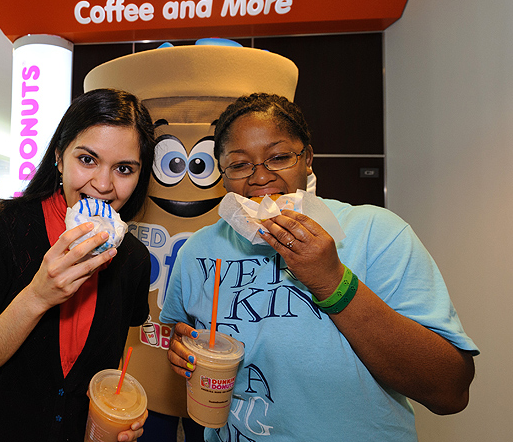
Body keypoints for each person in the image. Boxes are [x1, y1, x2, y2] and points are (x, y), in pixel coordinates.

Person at [160, 93, 478, 441]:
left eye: (278, 157)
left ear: (308, 159)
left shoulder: (376, 232)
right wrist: (184, 352)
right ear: (222, 176)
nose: (260, 177)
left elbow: (450, 391)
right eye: (239, 165)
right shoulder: (198, 250)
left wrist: (332, 281)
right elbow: (183, 336)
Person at [0, 88, 156, 442]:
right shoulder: (4, 227)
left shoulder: (133, 258)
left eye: (124, 169)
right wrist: (37, 296)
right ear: (59, 156)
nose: (102, 184)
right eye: (87, 159)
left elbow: (108, 369)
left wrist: (115, 415)